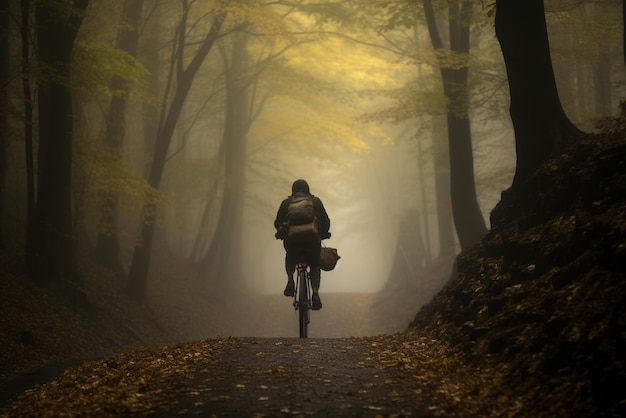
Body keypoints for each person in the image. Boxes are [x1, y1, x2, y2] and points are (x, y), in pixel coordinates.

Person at [274, 179, 331, 310]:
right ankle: (315, 292)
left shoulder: (287, 203)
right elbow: (326, 221)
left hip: (292, 243)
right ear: (308, 189)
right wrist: (324, 233)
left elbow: (277, 222)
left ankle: (290, 280)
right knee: (315, 264)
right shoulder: (315, 202)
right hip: (312, 242)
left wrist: (282, 233)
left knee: (290, 255)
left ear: (293, 190)